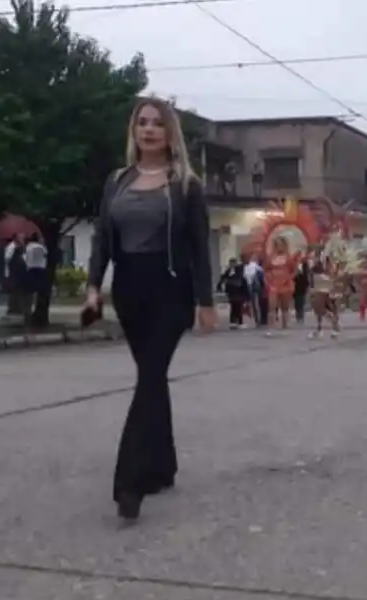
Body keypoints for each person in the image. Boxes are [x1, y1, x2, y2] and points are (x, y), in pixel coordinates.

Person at [84, 97, 216, 522]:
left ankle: (130, 482)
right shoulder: (117, 181)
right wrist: (92, 288)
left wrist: (206, 301)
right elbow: (104, 238)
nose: (149, 129)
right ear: (134, 131)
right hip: (129, 290)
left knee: (150, 378)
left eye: (157, 123)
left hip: (171, 290)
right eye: (142, 122)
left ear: (169, 132)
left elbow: (199, 245)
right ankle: (163, 466)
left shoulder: (186, 185)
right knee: (151, 378)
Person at [23, 232, 48, 325]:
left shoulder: (28, 247)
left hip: (30, 269)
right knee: (40, 293)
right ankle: (36, 311)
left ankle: (27, 312)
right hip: (40, 270)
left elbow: (25, 258)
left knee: (28, 293)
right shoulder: (41, 247)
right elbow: (45, 256)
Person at [218, 257, 249, 330]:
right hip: (232, 292)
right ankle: (233, 322)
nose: (232, 264)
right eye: (231, 263)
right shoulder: (228, 271)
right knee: (234, 306)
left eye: (233, 263)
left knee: (238, 306)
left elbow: (243, 281)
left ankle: (239, 322)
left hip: (239, 292)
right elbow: (222, 279)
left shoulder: (239, 270)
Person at [293, 255, 310, 324]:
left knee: (301, 299)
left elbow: (307, 274)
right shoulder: (294, 263)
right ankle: (298, 313)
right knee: (297, 299)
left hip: (302, 283)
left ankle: (300, 314)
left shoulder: (305, 264)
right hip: (296, 283)